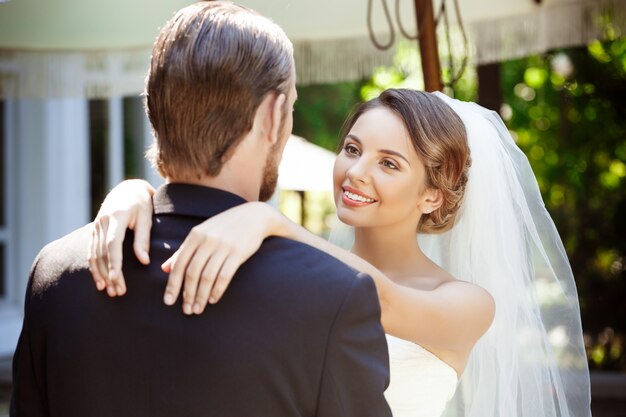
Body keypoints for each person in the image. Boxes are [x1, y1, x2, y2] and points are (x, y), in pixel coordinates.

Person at [91, 88, 592, 417]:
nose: (355, 172)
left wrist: (272, 220)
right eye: (352, 149)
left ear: (432, 195)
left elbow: (382, 302)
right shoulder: (290, 268)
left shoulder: (468, 303)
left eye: (389, 164)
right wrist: (139, 194)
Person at [10, 3, 393, 417]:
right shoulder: (332, 298)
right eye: (292, 107)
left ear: (152, 106)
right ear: (273, 114)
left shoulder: (53, 274)